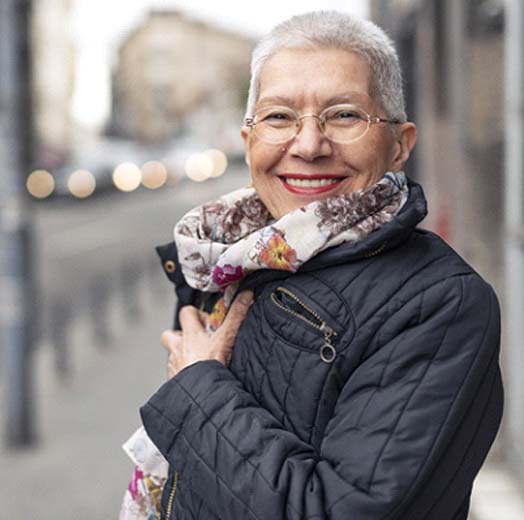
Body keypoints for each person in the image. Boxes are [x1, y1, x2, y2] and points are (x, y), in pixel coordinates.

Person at [129, 10, 503, 520]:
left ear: (400, 145)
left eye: (345, 115)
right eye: (279, 116)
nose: (308, 145)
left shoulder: (440, 303)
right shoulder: (224, 258)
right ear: (248, 142)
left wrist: (196, 387)